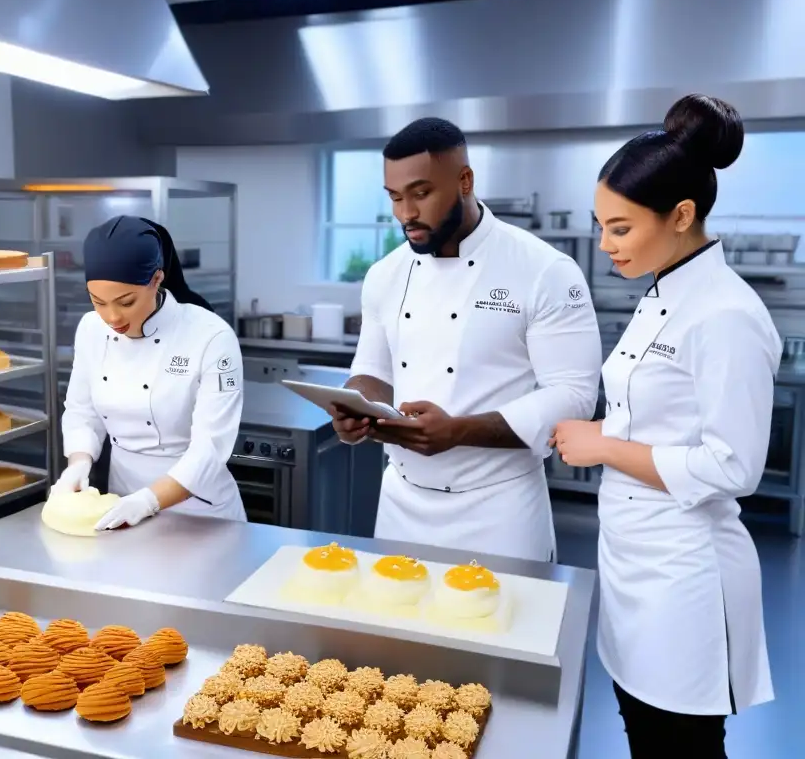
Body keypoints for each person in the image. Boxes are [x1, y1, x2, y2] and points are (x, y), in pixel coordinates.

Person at [553, 94, 777, 758]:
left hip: (686, 579)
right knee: (643, 735)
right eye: (601, 225)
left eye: (620, 228)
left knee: (679, 746)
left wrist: (604, 445)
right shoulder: (661, 292)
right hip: (632, 562)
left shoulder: (725, 313)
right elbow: (657, 414)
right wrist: (601, 431)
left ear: (681, 216)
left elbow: (734, 466)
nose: (605, 245)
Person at [333, 117, 602, 561]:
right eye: (395, 198)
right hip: (402, 505)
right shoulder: (385, 274)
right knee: (395, 629)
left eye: (421, 194)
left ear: (464, 180)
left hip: (499, 511)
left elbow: (574, 396)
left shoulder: (544, 270)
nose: (406, 214)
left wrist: (458, 431)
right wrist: (354, 408)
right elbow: (372, 371)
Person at [52, 215, 247, 528]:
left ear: (157, 279)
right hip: (120, 506)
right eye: (97, 302)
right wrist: (78, 462)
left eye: (126, 302)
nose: (111, 316)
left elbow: (211, 448)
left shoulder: (210, 335)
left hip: (200, 512)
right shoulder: (90, 329)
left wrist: (149, 500)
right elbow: (81, 411)